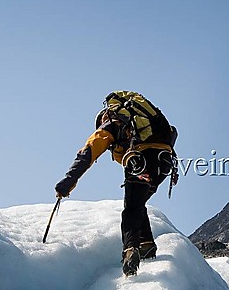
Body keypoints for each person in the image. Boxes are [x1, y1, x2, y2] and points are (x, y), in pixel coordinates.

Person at [55, 91, 177, 276]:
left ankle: (130, 250)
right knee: (137, 202)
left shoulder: (111, 125)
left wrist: (67, 183)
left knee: (130, 209)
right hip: (164, 163)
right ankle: (147, 245)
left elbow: (87, 153)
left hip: (140, 159)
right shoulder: (146, 124)